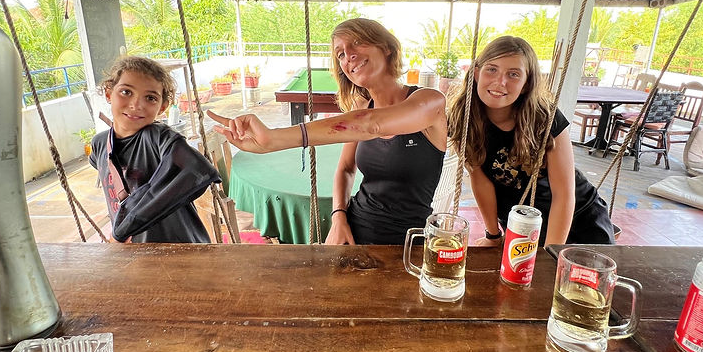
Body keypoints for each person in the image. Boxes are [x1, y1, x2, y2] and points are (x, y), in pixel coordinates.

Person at [210, 18, 447, 244]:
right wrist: (338, 217)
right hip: (354, 227)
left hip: (409, 240)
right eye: (340, 53)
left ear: (385, 47)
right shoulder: (361, 106)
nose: (349, 55)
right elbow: (345, 169)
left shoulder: (430, 102)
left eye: (357, 42)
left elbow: (371, 124)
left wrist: (273, 138)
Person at [447, 35, 614, 247]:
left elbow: (564, 194)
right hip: (520, 222)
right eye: (492, 69)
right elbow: (480, 179)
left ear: (526, 84)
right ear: (477, 73)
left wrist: (551, 252)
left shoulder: (545, 118)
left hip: (578, 218)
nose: (501, 82)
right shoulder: (463, 118)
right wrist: (493, 235)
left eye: (513, 74)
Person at [89, 55, 220, 243]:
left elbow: (194, 169)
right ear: (109, 94)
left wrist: (123, 230)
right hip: (134, 253)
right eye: (126, 92)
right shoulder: (100, 144)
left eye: (150, 98)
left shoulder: (159, 138)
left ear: (162, 107)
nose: (136, 105)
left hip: (179, 247)